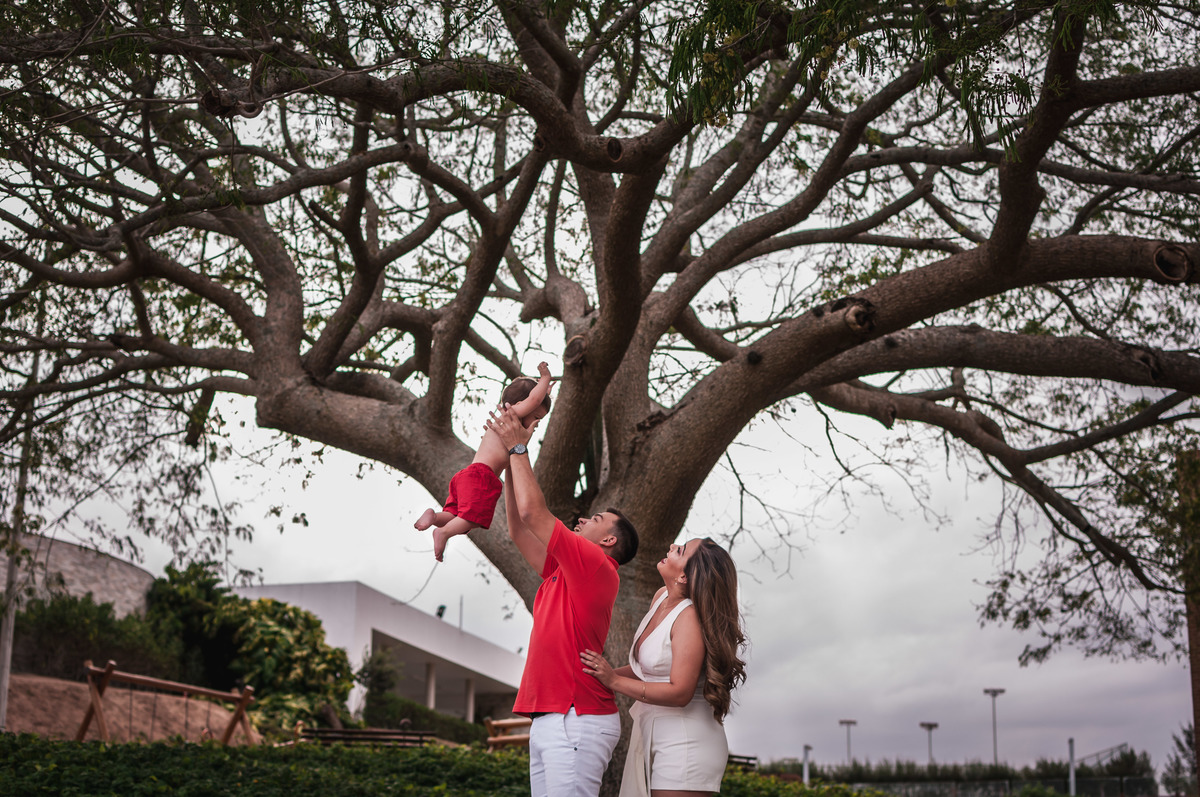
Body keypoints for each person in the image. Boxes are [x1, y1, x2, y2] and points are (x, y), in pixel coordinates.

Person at [487, 404, 640, 797]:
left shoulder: (597, 564)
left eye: (595, 519)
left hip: (576, 716)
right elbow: (518, 528)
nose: (583, 519)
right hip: (554, 717)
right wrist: (509, 459)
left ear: (608, 541)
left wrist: (518, 448)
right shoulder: (565, 569)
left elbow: (533, 512)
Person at [580, 537, 746, 797]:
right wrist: (592, 674)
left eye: (680, 550)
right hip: (654, 734)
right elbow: (646, 670)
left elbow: (680, 692)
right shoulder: (661, 598)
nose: (671, 547)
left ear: (684, 577)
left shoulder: (689, 617)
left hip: (687, 742)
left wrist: (613, 681)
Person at [415, 362, 552, 561]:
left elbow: (536, 400)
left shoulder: (504, 426)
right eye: (536, 416)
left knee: (456, 516)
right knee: (473, 518)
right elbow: (534, 399)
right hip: (482, 476)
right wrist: (545, 379)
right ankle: (443, 532)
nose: (537, 423)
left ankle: (434, 517)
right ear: (519, 404)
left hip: (467, 475)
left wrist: (544, 393)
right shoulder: (510, 416)